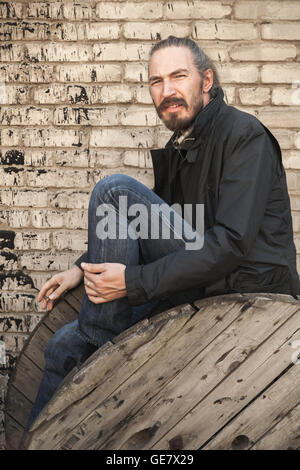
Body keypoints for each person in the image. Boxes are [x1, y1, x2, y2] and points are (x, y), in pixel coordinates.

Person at [26, 36, 300, 429]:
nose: (167, 91)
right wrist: (79, 268)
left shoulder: (244, 136)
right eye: (156, 81)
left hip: (242, 289)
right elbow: (152, 221)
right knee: (61, 346)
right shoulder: (181, 143)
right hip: (196, 277)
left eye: (178, 76)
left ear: (206, 81)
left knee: (115, 190)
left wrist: (132, 282)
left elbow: (232, 244)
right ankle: (88, 346)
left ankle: (99, 336)